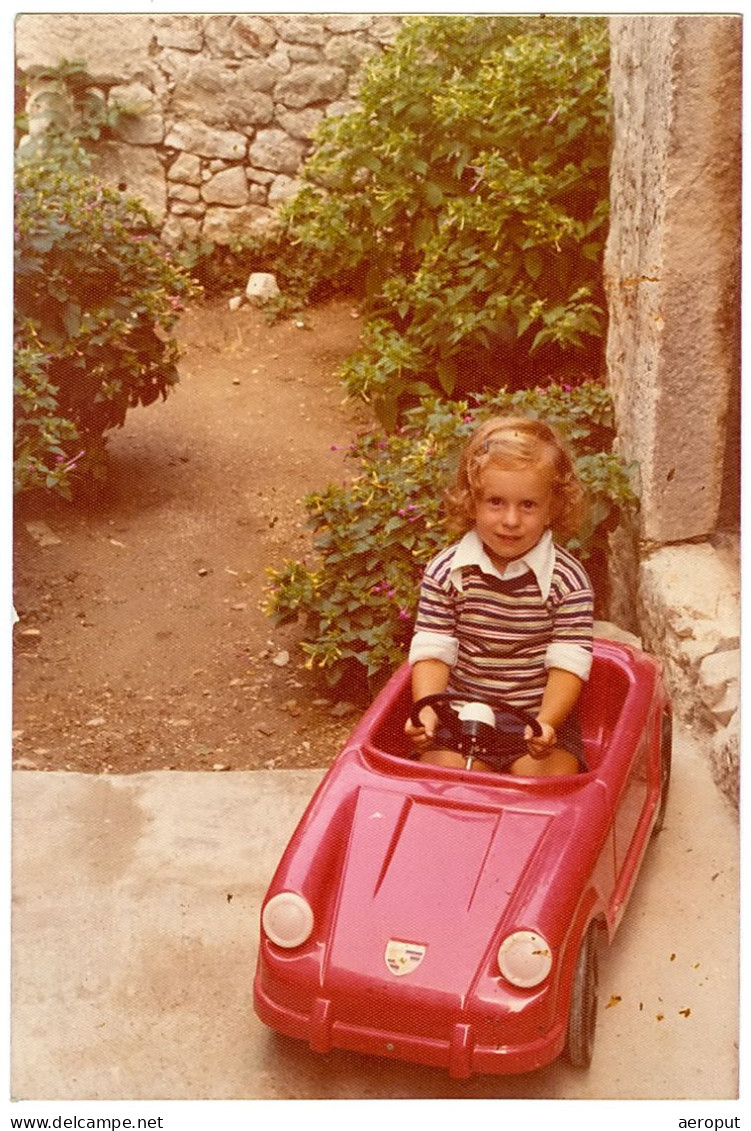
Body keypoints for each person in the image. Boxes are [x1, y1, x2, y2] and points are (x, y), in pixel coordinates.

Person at [405, 414, 594, 777]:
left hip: (537, 720)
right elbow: (433, 647)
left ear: (553, 507)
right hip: (461, 716)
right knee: (445, 778)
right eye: (495, 502)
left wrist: (547, 723)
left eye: (528, 505)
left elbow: (569, 661)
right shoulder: (447, 572)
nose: (510, 520)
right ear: (470, 501)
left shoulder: (567, 580)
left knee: (541, 785)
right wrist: (426, 710)